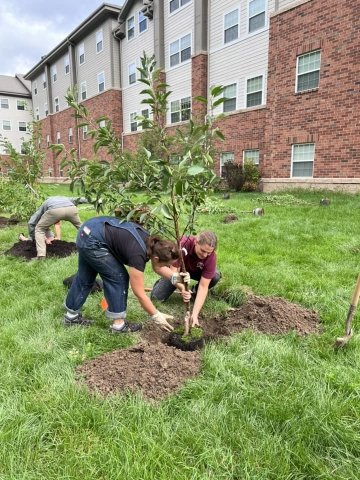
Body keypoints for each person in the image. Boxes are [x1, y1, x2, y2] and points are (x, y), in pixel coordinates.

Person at [63, 216, 189, 333]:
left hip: (87, 230)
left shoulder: (152, 244)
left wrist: (179, 280)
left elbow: (159, 268)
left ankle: (71, 317)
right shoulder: (138, 255)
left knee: (86, 276)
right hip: (93, 241)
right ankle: (119, 325)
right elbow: (139, 293)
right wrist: (156, 315)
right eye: (165, 264)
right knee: (119, 278)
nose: (165, 267)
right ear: (156, 258)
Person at [151, 231, 221, 327]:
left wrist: (195, 314)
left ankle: (193, 293)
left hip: (196, 271)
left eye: (209, 252)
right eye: (203, 251)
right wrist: (182, 288)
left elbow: (203, 286)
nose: (205, 255)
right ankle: (161, 282)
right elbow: (173, 272)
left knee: (215, 276)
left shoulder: (211, 257)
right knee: (156, 297)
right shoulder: (182, 245)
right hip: (178, 272)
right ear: (196, 242)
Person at [19, 196, 86, 259]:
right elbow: (81, 199)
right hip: (71, 209)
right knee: (81, 227)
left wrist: (32, 237)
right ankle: (94, 240)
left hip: (55, 211)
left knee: (39, 228)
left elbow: (32, 222)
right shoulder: (66, 198)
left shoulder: (46, 202)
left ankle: (41, 255)